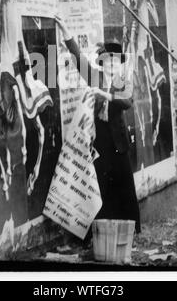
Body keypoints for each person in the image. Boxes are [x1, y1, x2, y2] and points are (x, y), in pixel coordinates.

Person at [55, 15, 141, 233]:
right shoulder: (95, 76)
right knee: (102, 187)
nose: (111, 64)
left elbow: (127, 102)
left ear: (119, 64)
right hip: (100, 141)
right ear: (103, 63)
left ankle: (131, 230)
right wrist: (66, 32)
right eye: (108, 61)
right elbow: (78, 57)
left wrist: (105, 94)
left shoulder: (123, 81)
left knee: (125, 186)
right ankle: (103, 233)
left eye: (115, 61)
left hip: (119, 143)